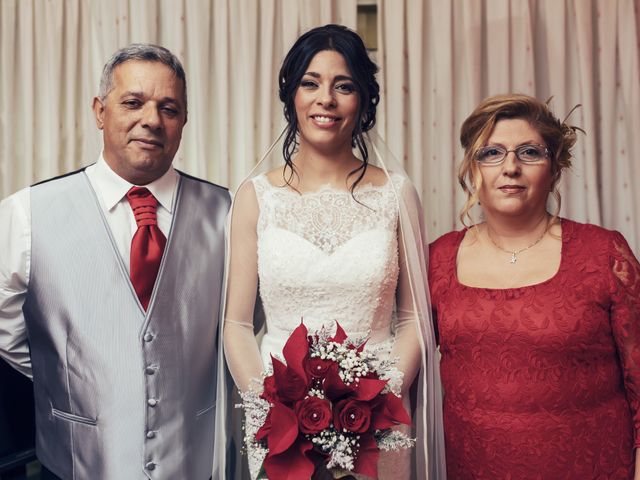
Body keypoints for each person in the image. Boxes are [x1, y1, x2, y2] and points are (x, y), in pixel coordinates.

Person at [217, 24, 446, 479]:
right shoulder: (255, 195)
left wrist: (381, 396)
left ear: (363, 100)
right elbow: (238, 324)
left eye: (344, 86)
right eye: (311, 83)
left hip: (378, 421)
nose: (326, 98)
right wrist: (271, 404)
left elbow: (413, 318)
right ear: (292, 97)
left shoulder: (397, 193)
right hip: (280, 425)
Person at [0, 44, 231, 479]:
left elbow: (242, 323)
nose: (151, 120)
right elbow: (7, 329)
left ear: (183, 121)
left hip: (197, 464)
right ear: (99, 111)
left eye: (169, 108)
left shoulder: (228, 212)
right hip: (75, 464)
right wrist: (70, 374)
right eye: (133, 102)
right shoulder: (24, 213)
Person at [429, 93, 640, 479]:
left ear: (555, 168)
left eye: (529, 152)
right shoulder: (437, 260)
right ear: (472, 170)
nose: (510, 167)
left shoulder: (603, 253)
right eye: (491, 153)